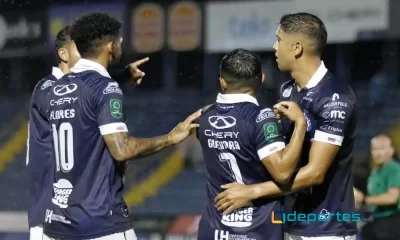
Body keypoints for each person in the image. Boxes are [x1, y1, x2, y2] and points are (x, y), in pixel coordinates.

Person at [42, 13, 200, 240]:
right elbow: (122, 148)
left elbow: (84, 97)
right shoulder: (106, 88)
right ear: (110, 45)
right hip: (100, 220)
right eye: (119, 40)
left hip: (58, 221)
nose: (122, 44)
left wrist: (121, 76)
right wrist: (171, 137)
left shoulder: (54, 90)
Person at [215, 13, 358, 240]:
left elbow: (315, 173)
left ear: (297, 48)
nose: (274, 47)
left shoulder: (334, 97)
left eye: (279, 40)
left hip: (326, 229)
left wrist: (253, 191)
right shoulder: (287, 90)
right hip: (290, 222)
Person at [196, 48, 307, 240]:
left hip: (214, 229)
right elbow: (282, 173)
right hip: (257, 228)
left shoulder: (203, 117)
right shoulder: (261, 117)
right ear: (261, 79)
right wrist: (300, 125)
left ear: (222, 82)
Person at [26, 25, 81, 240]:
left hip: (75, 217)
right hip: (49, 218)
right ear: (63, 54)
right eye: (81, 48)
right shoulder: (47, 88)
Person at [354, 134, 400, 240]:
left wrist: (364, 199)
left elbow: (392, 198)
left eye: (382, 148)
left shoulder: (394, 169)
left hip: (391, 223)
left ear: (391, 150)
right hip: (376, 220)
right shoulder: (375, 172)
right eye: (374, 149)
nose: (378, 153)